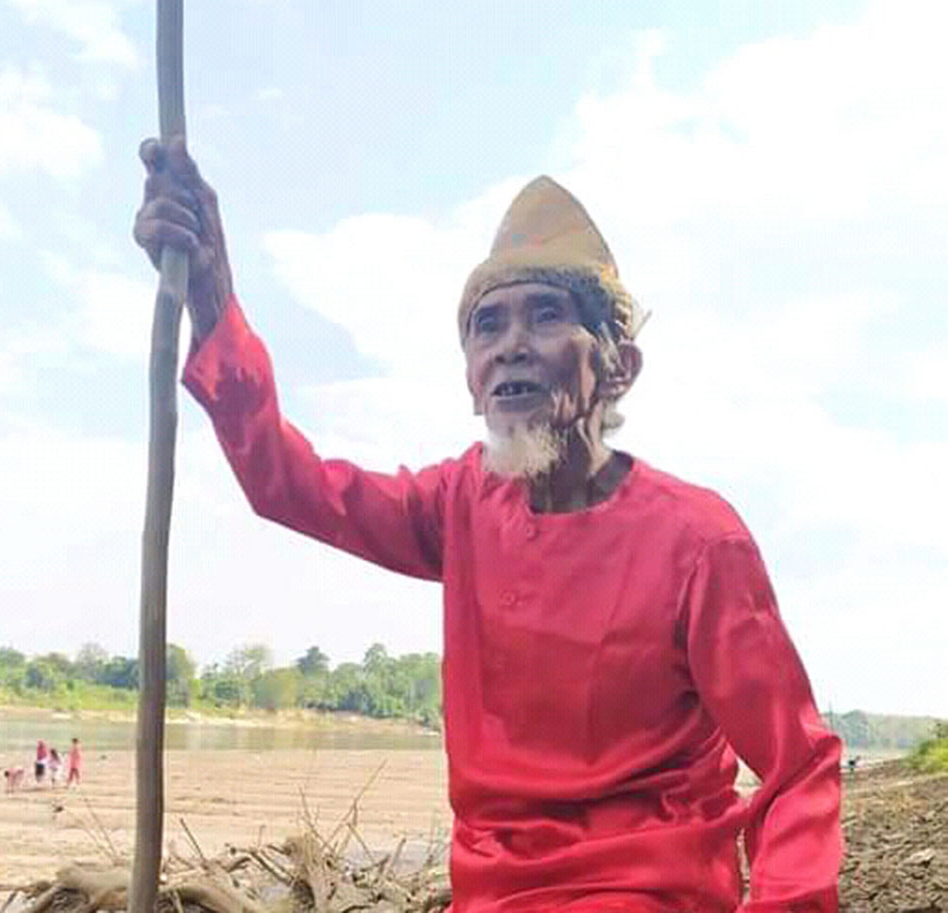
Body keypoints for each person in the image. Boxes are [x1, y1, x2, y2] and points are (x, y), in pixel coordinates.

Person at [134, 137, 843, 912]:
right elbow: (288, 482)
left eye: (545, 316)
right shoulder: (460, 504)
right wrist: (212, 298)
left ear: (618, 367)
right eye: (487, 325)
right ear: (472, 377)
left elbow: (798, 764)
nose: (510, 346)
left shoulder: (701, 541)